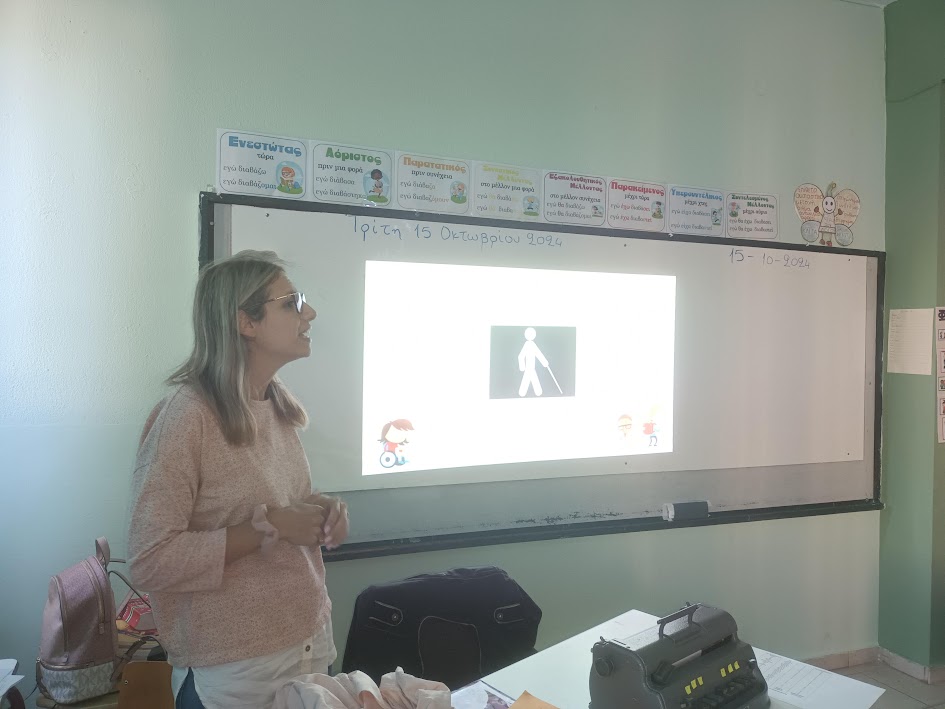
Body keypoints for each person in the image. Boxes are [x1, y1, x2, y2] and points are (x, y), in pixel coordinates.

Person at [127, 250, 349, 709]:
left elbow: (278, 500)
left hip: (307, 642)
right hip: (235, 671)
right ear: (246, 323)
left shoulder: (275, 402)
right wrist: (270, 528)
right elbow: (151, 560)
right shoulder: (186, 417)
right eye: (291, 302)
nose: (309, 312)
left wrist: (321, 509)